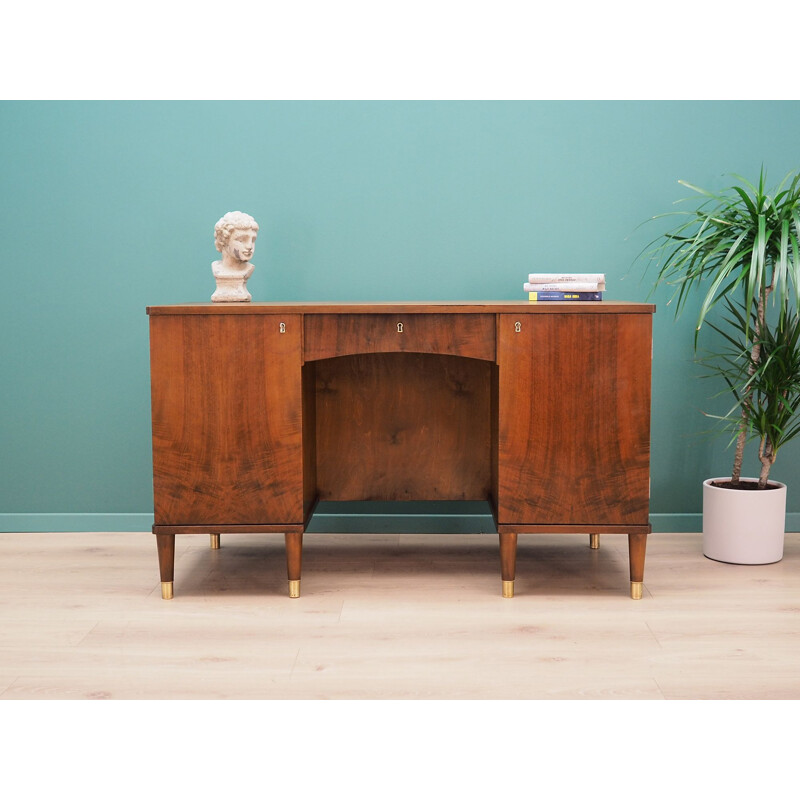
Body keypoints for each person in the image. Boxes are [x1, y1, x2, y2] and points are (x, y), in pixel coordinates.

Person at [211, 211, 259, 302]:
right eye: (241, 240)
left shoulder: (249, 268)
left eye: (253, 240)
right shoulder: (216, 268)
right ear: (223, 241)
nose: (249, 246)